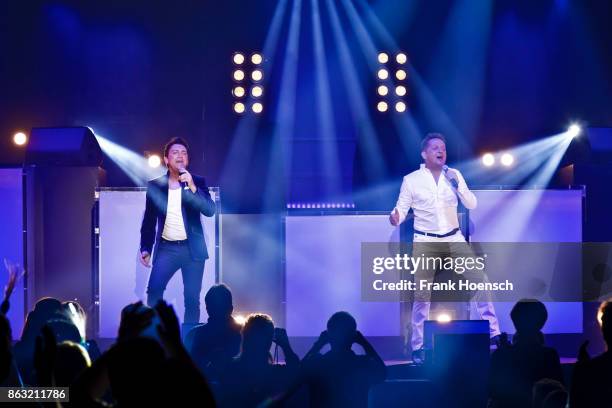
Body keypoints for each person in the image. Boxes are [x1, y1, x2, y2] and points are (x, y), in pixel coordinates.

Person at [389, 133, 500, 360]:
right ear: (424, 154)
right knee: (422, 296)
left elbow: (471, 203)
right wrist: (395, 216)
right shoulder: (411, 180)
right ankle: (418, 347)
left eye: (444, 148)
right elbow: (401, 209)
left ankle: (493, 333)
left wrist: (458, 185)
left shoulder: (454, 175)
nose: (441, 151)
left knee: (481, 281)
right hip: (425, 241)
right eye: (435, 148)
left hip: (454, 238)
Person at [139, 137, 216, 325]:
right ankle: (156, 338)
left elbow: (209, 210)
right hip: (167, 249)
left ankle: (189, 343)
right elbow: (148, 221)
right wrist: (145, 248)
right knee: (154, 291)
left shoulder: (197, 181)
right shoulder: (156, 185)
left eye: (184, 153)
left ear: (187, 159)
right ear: (166, 159)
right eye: (175, 152)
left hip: (193, 250)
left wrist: (192, 186)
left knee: (192, 300)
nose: (180, 156)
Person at [488, 299, 563, 408]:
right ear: (541, 321)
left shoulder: (500, 355)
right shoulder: (549, 355)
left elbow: (492, 391)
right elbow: (558, 392)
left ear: (515, 319)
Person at [302, 311, 386, 408]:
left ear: (328, 336)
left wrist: (318, 344)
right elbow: (382, 372)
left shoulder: (317, 363)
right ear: (354, 336)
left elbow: (298, 373)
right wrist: (364, 342)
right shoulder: (362, 364)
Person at [188, 284, 242, 379]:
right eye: (215, 307)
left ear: (207, 309)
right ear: (231, 309)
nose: (218, 312)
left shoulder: (194, 335)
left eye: (220, 307)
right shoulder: (244, 335)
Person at [570, 299, 612, 407]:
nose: (604, 328)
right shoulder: (588, 369)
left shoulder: (587, 369)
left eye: (606, 322)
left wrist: (584, 367)